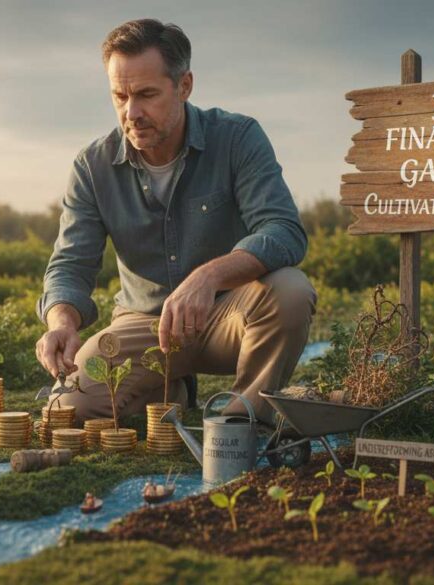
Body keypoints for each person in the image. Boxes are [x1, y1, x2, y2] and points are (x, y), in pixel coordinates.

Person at [35, 18, 317, 426]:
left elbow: (283, 231)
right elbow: (70, 264)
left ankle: (241, 419)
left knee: (290, 290)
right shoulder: (92, 166)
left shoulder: (238, 138)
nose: (132, 112)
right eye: (120, 96)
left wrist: (208, 278)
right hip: (143, 324)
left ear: (184, 86)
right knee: (65, 410)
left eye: (147, 94)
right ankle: (173, 389)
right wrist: (62, 320)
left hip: (229, 316)